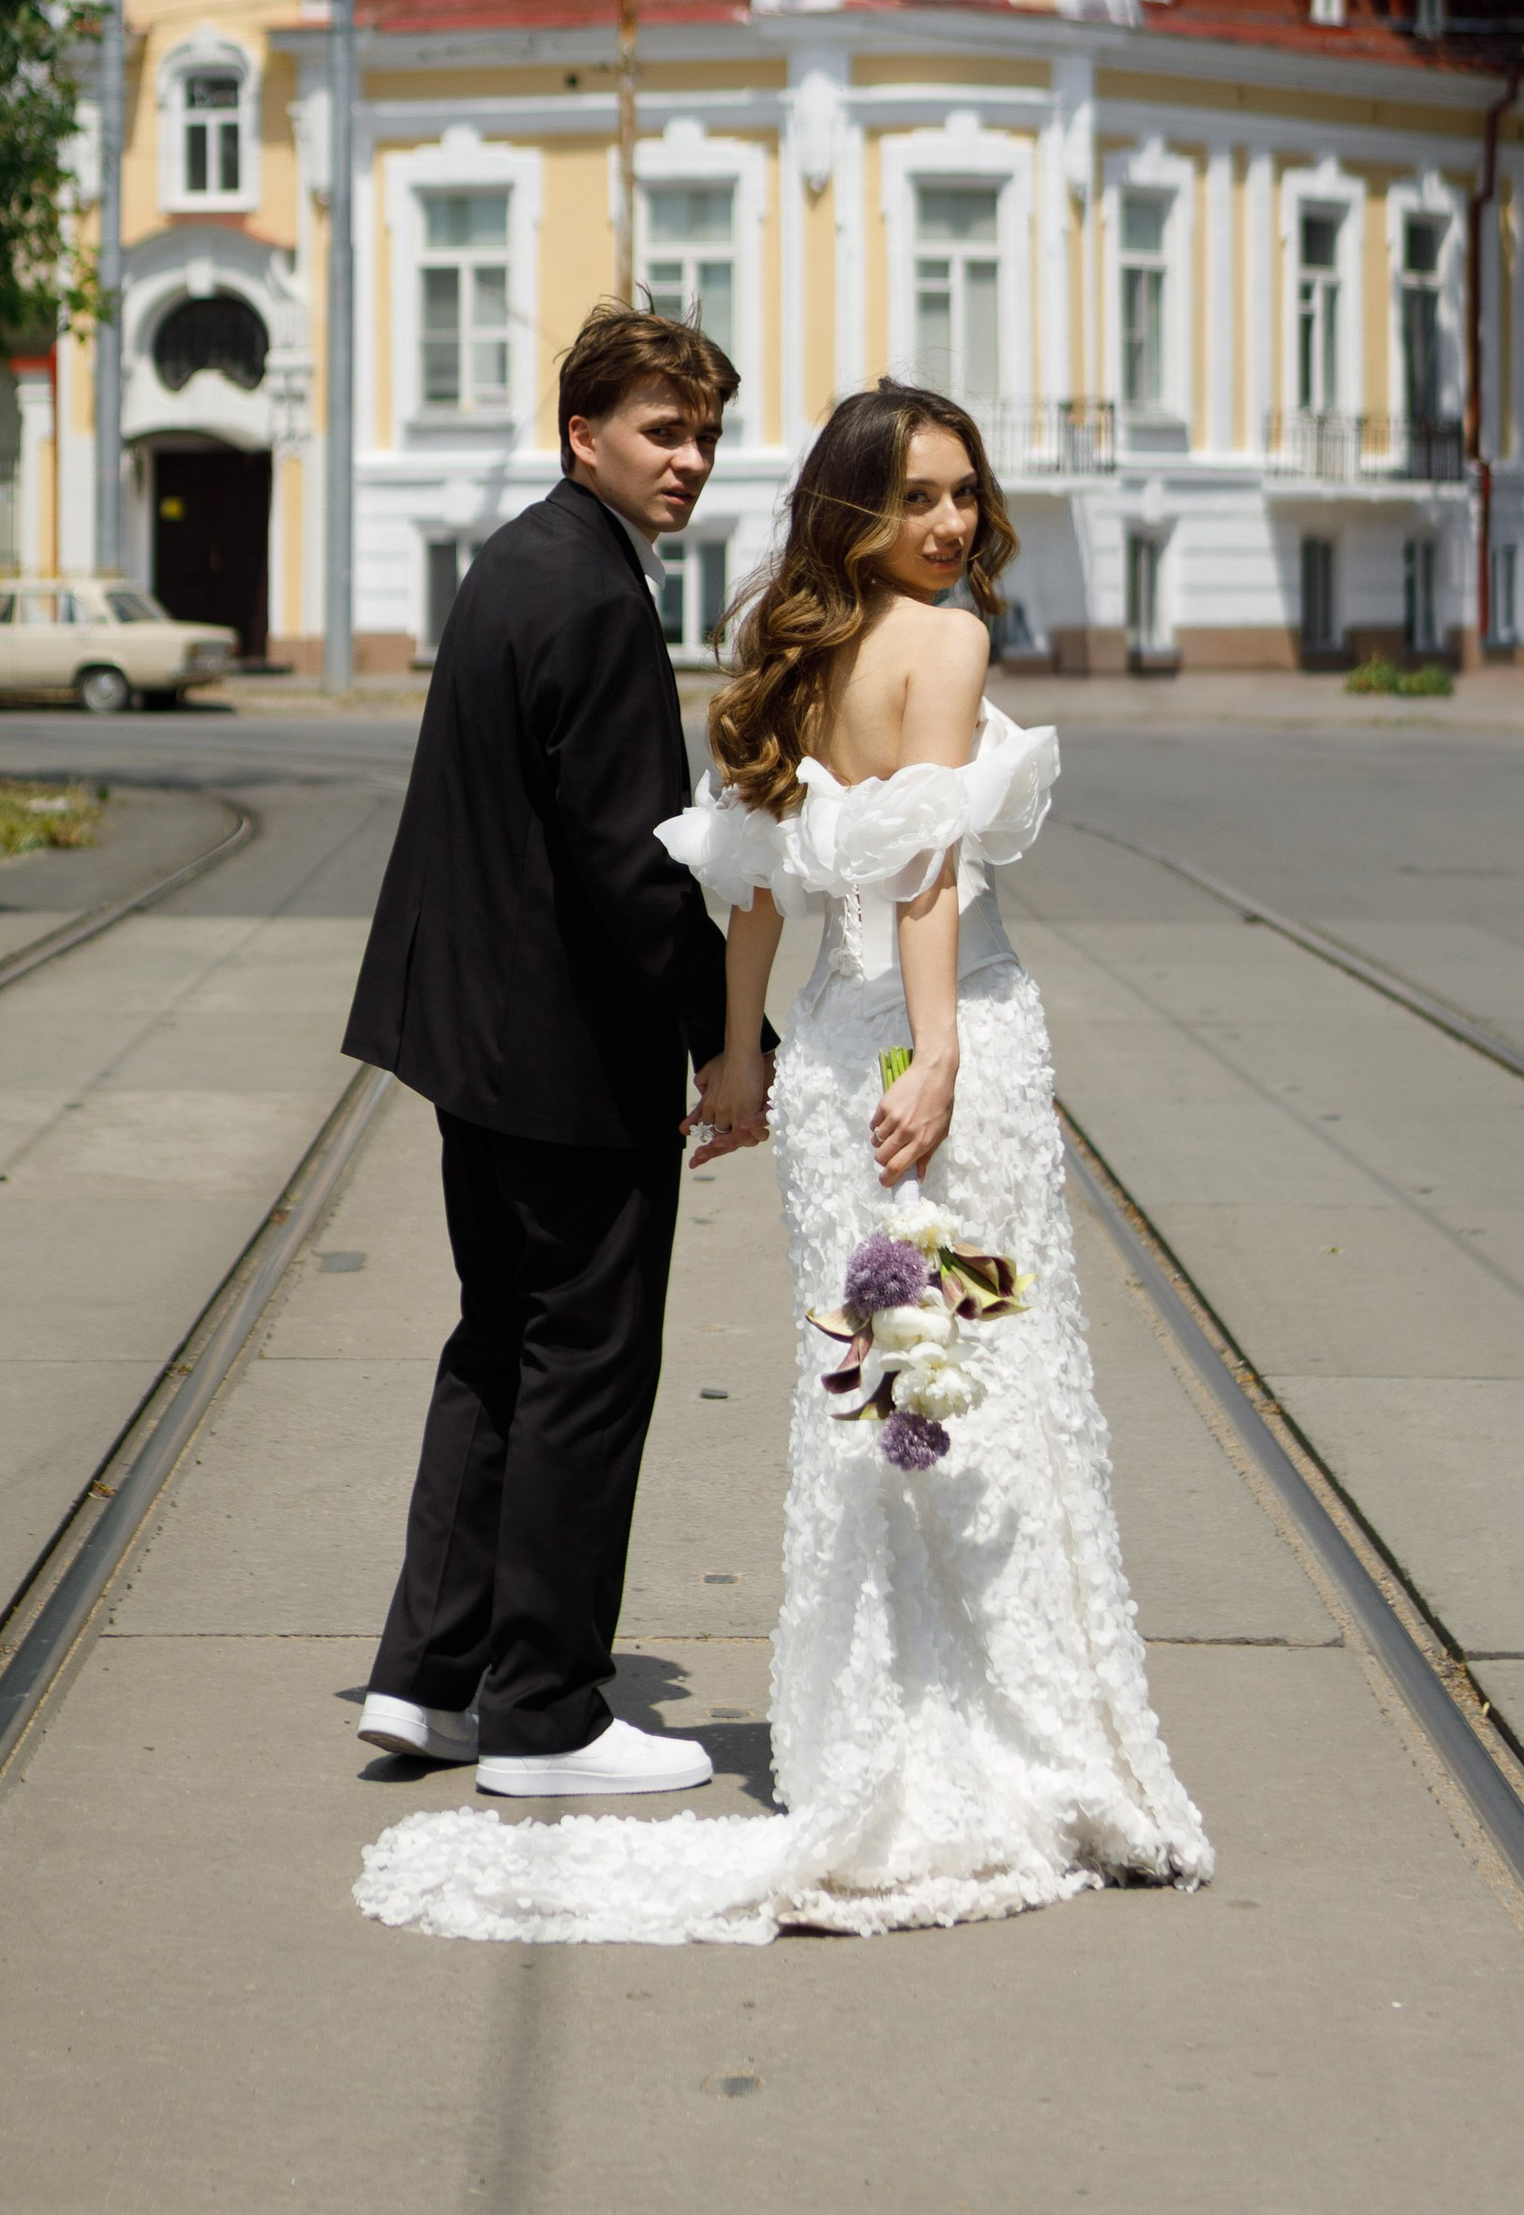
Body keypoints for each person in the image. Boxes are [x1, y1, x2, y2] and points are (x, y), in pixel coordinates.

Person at [357, 380, 1213, 1943]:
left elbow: (752, 887)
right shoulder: (946, 647)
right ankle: (979, 1721)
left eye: (964, 493)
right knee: (970, 1369)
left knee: (882, 1375)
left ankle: (866, 1717)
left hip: (825, 1062)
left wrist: (743, 1058)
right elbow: (928, 875)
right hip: (931, 1060)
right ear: (859, 512)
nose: (951, 523)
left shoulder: (785, 657)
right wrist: (938, 1053)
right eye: (920, 498)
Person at [343, 302, 774, 1800]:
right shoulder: (593, 597)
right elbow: (631, 866)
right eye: (664, 429)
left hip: (474, 1038)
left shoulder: (519, 562)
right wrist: (736, 1040)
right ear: (583, 434)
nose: (692, 458)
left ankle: (426, 1676)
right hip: (563, 1056)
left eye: (706, 431)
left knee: (499, 1347)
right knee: (587, 1362)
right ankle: (545, 1716)